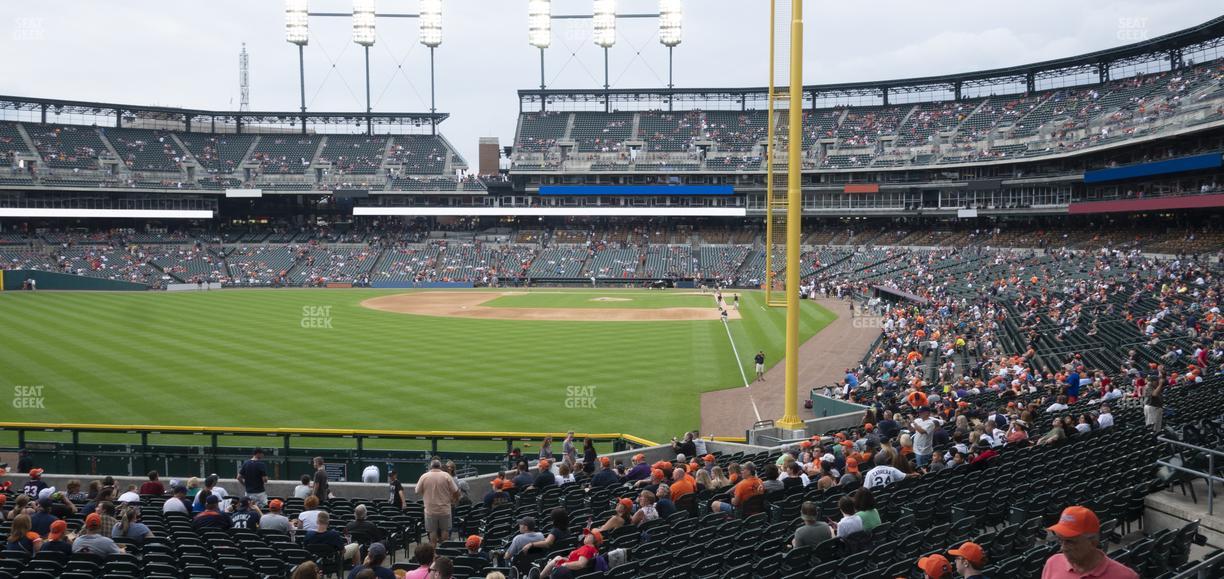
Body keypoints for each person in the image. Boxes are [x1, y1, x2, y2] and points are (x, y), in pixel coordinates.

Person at [1042, 506, 1138, 579]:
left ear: (1093, 542)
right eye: (1060, 540)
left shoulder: (1125, 576)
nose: (1063, 548)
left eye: (1070, 541)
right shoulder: (1052, 564)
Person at [416, 459, 460, 545]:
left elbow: (417, 491)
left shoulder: (424, 476)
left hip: (430, 510)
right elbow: (456, 491)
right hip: (444, 509)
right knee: (445, 531)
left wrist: (426, 493)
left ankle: (434, 554)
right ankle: (444, 553)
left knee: (432, 532)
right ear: (440, 466)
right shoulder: (446, 476)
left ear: (431, 466)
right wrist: (453, 500)